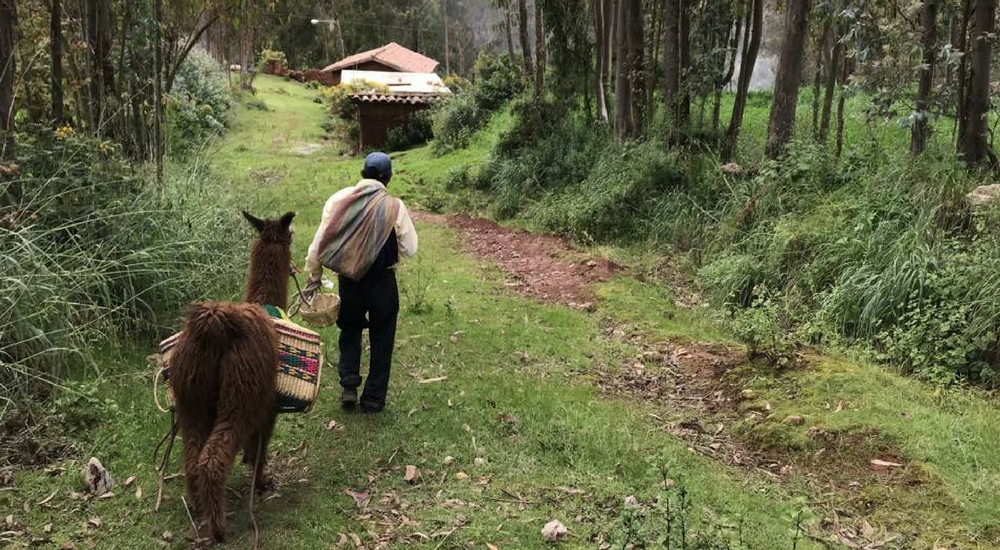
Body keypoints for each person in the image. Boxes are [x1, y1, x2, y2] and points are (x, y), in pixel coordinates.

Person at [303, 152, 417, 413]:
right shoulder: (394, 206)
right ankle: (373, 399)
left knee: (350, 329)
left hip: (350, 280)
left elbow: (320, 244)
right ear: (388, 178)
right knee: (382, 337)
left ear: (363, 173)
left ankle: (349, 385)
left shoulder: (339, 200)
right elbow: (410, 248)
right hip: (383, 283)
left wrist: (315, 275)